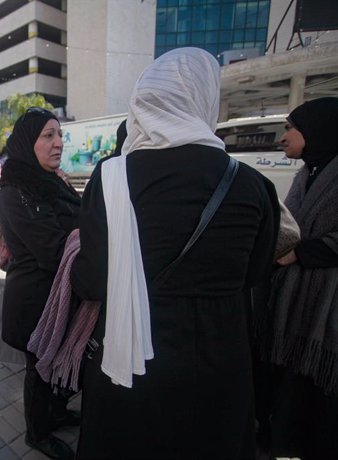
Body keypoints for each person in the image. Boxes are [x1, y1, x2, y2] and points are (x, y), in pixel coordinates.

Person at [70, 48, 279, 459]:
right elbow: (256, 274)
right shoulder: (252, 184)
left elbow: (92, 280)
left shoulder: (112, 178)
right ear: (206, 99)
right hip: (222, 360)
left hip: (133, 366)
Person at [0, 107, 81, 460]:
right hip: (35, 300)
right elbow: (53, 248)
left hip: (61, 294)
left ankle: (56, 413)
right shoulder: (16, 190)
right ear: (27, 142)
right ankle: (37, 432)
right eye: (48, 135)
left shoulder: (52, 181)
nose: (58, 142)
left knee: (55, 364)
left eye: (59, 134)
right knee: (40, 368)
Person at [258, 97, 338, 460]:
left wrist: (303, 252)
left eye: (291, 128)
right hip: (296, 303)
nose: (283, 137)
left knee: (320, 396)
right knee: (291, 387)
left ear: (316, 131)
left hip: (326, 310)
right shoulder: (309, 172)